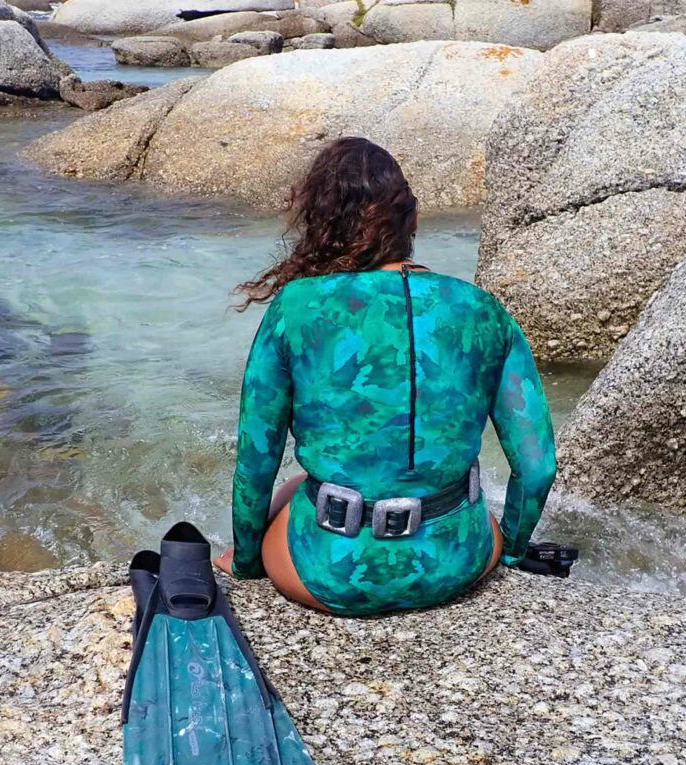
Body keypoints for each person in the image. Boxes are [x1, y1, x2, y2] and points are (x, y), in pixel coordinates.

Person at [215, 137, 556, 616]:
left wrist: (249, 562)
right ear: (412, 221)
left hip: (330, 575)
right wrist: (515, 551)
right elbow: (537, 468)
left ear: (319, 223)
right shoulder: (483, 310)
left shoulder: (296, 307)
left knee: (295, 487)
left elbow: (255, 460)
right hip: (455, 567)